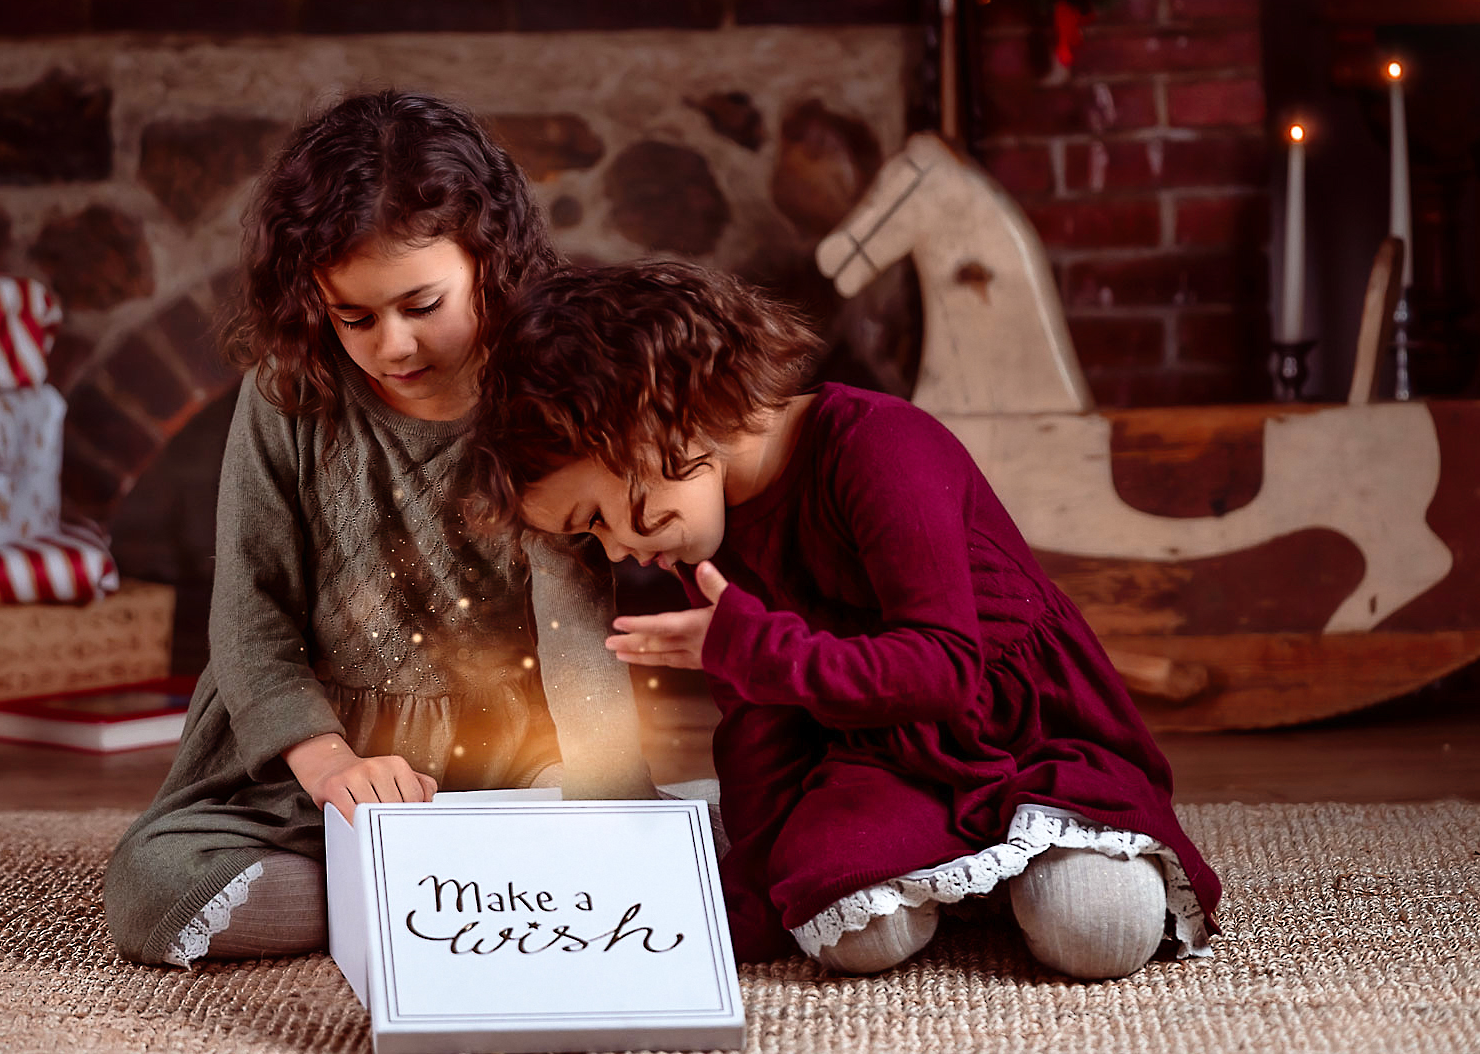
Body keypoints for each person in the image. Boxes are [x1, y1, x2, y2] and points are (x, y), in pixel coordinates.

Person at [467, 259, 1222, 979]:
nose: (624, 553)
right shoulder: (714, 535)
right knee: (853, 929)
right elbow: (762, 726)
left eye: (600, 515)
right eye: (594, 539)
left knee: (1099, 931)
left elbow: (946, 671)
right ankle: (963, 872)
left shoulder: (878, 444)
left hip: (1024, 731)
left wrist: (752, 650)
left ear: (654, 412)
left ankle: (1022, 857)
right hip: (887, 756)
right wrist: (753, 900)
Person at [104, 90, 651, 968]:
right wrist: (327, 766)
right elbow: (250, 613)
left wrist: (611, 811)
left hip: (513, 760)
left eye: (422, 304)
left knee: (653, 841)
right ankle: (450, 897)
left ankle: (434, 894)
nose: (392, 345)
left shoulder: (549, 378)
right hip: (320, 776)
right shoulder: (286, 394)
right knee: (154, 889)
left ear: (487, 257)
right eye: (354, 317)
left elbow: (576, 626)